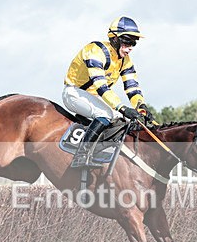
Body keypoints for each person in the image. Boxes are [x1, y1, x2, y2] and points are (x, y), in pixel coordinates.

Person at [62, 16, 155, 168]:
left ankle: (100, 150)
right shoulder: (95, 51)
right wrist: (122, 108)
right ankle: (81, 155)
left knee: (127, 121)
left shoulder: (126, 61)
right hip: (74, 93)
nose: (130, 47)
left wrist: (141, 107)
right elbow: (101, 86)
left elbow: (132, 87)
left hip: (94, 97)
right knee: (106, 114)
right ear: (115, 39)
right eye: (127, 41)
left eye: (133, 43)